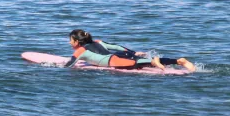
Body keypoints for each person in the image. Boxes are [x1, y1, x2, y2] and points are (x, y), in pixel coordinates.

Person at [65, 29, 196, 72]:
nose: (69, 43)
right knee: (141, 60)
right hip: (120, 54)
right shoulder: (98, 42)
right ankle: (178, 61)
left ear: (76, 42)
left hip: (113, 60)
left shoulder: (79, 51)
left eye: (70, 40)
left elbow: (69, 65)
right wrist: (132, 52)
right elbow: (117, 47)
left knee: (139, 64)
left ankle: (154, 62)